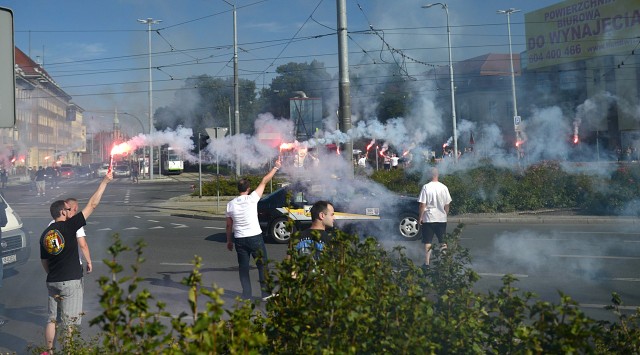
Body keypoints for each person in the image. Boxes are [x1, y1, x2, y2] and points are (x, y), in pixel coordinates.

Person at [40, 172, 113, 353]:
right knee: (70, 321)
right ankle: (69, 351)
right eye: (67, 209)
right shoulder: (69, 226)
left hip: (52, 281)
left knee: (52, 319)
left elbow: (44, 261)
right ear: (62, 212)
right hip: (70, 281)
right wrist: (105, 181)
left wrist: (53, 274)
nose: (70, 211)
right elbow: (93, 204)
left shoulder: (45, 234)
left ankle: (49, 351)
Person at [226, 158, 281, 300]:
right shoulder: (252, 198)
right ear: (248, 189)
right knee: (262, 266)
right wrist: (276, 167)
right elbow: (264, 181)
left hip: (239, 239)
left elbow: (228, 225)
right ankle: (265, 293)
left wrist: (229, 241)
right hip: (255, 237)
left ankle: (246, 294)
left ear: (238, 189)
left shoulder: (230, 204)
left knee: (243, 268)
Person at [417, 167, 452, 269]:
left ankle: (427, 263)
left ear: (429, 175)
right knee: (442, 241)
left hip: (429, 218)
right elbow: (447, 205)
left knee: (428, 241)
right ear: (438, 175)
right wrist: (445, 214)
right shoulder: (444, 187)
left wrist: (420, 217)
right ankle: (445, 262)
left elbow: (422, 205)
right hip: (441, 218)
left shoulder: (426, 187)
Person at [48, 198, 93, 274]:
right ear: (75, 208)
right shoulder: (75, 223)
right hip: (73, 266)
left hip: (56, 266)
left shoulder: (51, 224)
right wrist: (89, 262)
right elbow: (83, 245)